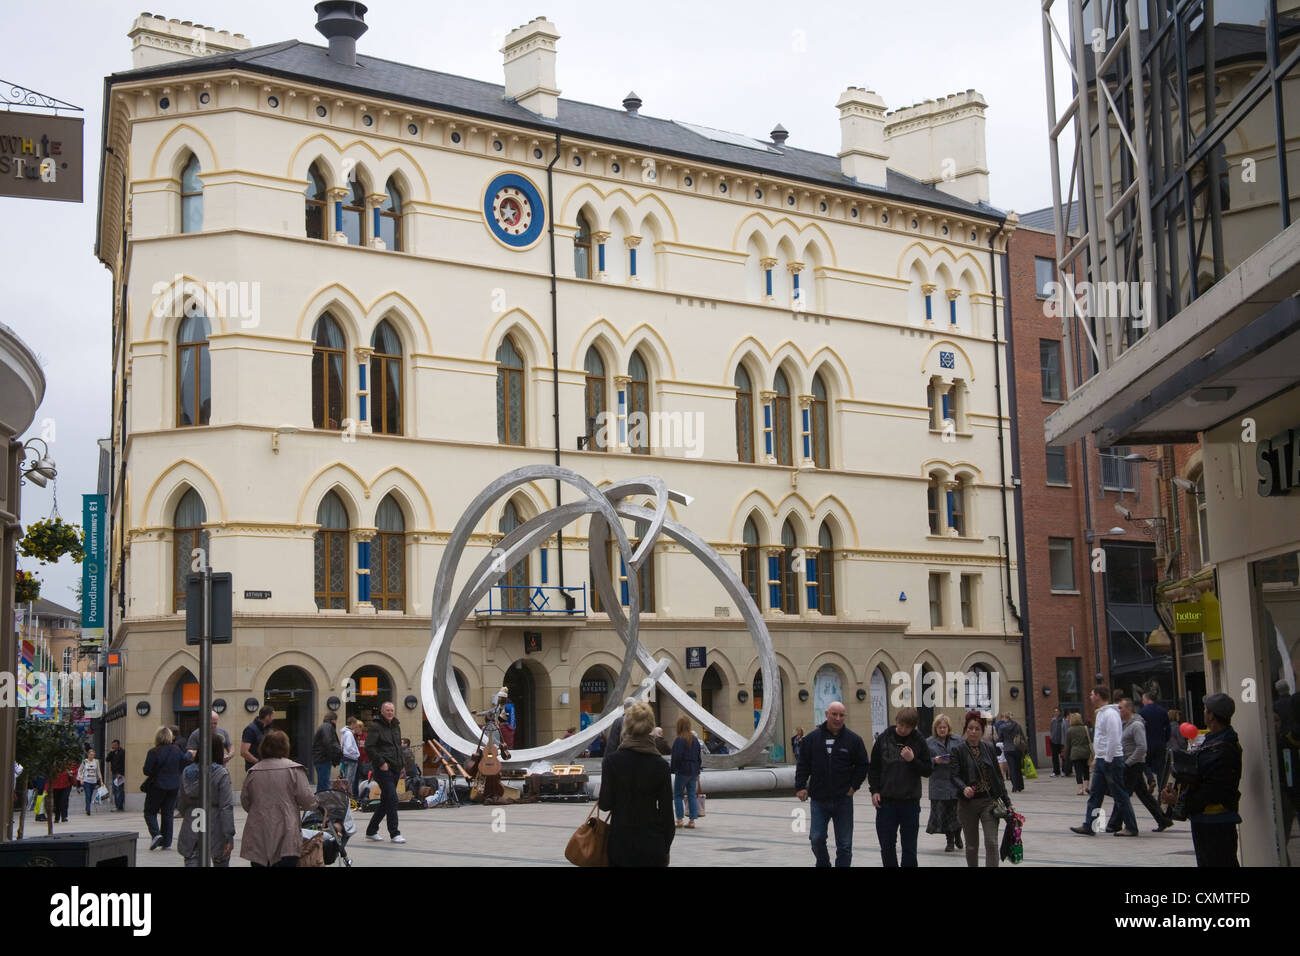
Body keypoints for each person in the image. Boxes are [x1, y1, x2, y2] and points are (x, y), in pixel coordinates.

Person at [1161, 693, 1242, 867]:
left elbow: (1211, 791)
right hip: (1205, 821)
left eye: (1205, 709)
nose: (1203, 712)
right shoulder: (1214, 742)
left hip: (1215, 823)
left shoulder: (1223, 749)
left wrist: (1178, 801)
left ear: (1211, 716)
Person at [597, 701, 675, 866]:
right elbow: (667, 813)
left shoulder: (612, 762)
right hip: (652, 843)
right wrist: (665, 846)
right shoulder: (661, 765)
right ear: (651, 728)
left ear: (627, 726)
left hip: (621, 843)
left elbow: (604, 804)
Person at [794, 701, 870, 867]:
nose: (837, 718)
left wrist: (854, 786)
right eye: (834, 714)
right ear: (826, 714)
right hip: (819, 798)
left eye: (841, 715)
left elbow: (863, 764)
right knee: (816, 838)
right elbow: (803, 764)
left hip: (843, 798)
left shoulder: (853, 740)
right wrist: (800, 786)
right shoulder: (812, 739)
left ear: (845, 716)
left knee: (844, 844)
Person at [240, 729, 318, 867]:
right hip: (287, 832)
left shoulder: (253, 772)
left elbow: (245, 802)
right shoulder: (294, 770)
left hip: (259, 833)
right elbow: (308, 801)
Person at [868, 706, 933, 867]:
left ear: (913, 727)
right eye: (900, 725)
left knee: (909, 847)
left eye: (907, 727)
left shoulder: (919, 740)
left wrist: (912, 760)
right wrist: (874, 790)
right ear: (896, 721)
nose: (903, 729)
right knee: (887, 845)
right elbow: (874, 767)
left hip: (910, 802)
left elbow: (928, 770)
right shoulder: (884, 738)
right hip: (886, 802)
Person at [1072, 685, 1138, 837]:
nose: (1090, 697)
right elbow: (1101, 739)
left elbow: (1114, 738)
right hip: (1103, 759)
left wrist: (1107, 759)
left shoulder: (1110, 714)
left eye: (1092, 694)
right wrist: (1097, 758)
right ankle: (1090, 825)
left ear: (1098, 696)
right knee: (1095, 794)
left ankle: (1131, 827)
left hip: (1112, 760)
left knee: (1120, 794)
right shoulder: (1102, 713)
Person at [951, 710, 1011, 867]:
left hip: (988, 802)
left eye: (977, 729)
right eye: (970, 728)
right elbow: (954, 776)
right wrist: (963, 788)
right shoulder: (958, 750)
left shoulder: (989, 749)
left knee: (991, 842)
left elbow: (998, 778)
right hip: (967, 804)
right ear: (966, 729)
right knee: (972, 846)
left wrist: (1007, 802)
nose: (973, 731)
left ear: (982, 731)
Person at [1105, 696, 1172, 833]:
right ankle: (1163, 820)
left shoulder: (1136, 725)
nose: (1119, 710)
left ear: (1129, 709)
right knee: (1143, 794)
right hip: (1131, 764)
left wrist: (1128, 763)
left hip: (1133, 765)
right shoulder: (1126, 724)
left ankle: (1115, 823)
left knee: (1122, 794)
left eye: (1121, 708)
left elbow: (1142, 747)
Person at [177, 734, 235, 867]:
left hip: (193, 820)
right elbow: (226, 806)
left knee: (192, 858)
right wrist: (229, 835)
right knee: (221, 859)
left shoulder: (186, 772)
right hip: (216, 823)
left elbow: (181, 801)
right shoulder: (221, 773)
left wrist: (187, 813)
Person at [364, 700, 406, 844]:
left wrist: (402, 764)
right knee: (392, 799)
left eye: (392, 710)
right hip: (383, 769)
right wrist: (381, 763)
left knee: (386, 800)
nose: (390, 713)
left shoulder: (396, 726)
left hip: (395, 767)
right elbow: (369, 747)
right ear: (382, 712)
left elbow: (397, 746)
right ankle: (394, 833)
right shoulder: (375, 726)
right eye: (387, 710)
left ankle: (371, 830)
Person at [926, 714, 963, 852]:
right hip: (939, 784)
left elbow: (964, 757)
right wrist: (934, 760)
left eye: (944, 727)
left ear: (949, 728)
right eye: (939, 727)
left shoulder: (958, 740)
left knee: (957, 813)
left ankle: (958, 835)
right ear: (935, 728)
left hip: (955, 783)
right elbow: (923, 762)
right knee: (946, 815)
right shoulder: (929, 742)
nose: (942, 730)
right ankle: (950, 841)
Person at [143, 726, 184, 850]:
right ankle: (166, 842)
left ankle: (156, 834)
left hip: (157, 785)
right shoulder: (177, 750)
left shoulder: (153, 752)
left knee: (150, 812)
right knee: (168, 813)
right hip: (173, 786)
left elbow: (146, 771)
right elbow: (183, 763)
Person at [669, 715, 702, 828]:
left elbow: (676, 757)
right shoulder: (695, 740)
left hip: (682, 770)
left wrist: (673, 769)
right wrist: (698, 770)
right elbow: (698, 757)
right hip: (693, 771)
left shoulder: (679, 740)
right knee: (691, 795)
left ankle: (679, 820)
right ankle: (692, 821)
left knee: (678, 795)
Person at [1140, 692, 1170, 788]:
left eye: (1143, 699)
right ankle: (1162, 789)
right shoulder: (1163, 711)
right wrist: (1165, 739)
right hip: (1161, 743)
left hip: (1147, 743)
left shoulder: (1142, 712)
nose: (1142, 702)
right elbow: (1168, 728)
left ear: (1147, 699)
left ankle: (1150, 778)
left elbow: (1140, 729)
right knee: (1161, 768)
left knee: (1143, 762)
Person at [995, 711, 1026, 793]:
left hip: (1007, 749)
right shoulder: (1017, 725)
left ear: (1005, 718)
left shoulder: (1002, 727)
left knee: (1012, 767)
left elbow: (1000, 738)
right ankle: (1020, 786)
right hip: (1017, 748)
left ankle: (1014, 787)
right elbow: (1022, 737)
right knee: (1018, 767)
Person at [311, 711, 341, 792]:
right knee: (324, 785)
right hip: (323, 759)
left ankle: (320, 798)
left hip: (321, 758)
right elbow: (328, 743)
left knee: (322, 784)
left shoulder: (325, 726)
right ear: (333, 720)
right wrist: (332, 756)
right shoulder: (327, 727)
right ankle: (322, 799)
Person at [241, 705, 276, 772]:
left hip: (267, 768)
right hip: (255, 769)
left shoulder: (268, 729)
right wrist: (259, 763)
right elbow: (244, 752)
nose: (273, 718)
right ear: (267, 716)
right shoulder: (250, 729)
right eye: (272, 716)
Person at [1065, 712, 1093, 795]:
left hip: (1075, 753)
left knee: (1078, 771)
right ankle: (1086, 787)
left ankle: (1080, 789)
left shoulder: (1070, 730)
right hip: (1086, 752)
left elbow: (1068, 744)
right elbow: (1090, 739)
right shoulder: (1085, 728)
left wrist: (1067, 756)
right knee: (1086, 770)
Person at [76, 748, 105, 816]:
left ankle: (87, 806)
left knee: (90, 795)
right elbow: (80, 770)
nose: (92, 756)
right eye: (91, 755)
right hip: (86, 781)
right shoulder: (84, 761)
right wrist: (81, 779)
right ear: (88, 755)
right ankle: (88, 809)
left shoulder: (96, 761)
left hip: (93, 781)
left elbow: (98, 771)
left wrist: (101, 781)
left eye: (93, 755)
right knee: (88, 795)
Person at [339, 717, 360, 795]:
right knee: (349, 781)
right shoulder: (349, 733)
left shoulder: (344, 733)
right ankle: (348, 798)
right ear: (353, 723)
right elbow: (349, 747)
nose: (356, 726)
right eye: (355, 724)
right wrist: (356, 754)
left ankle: (345, 797)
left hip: (345, 758)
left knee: (346, 780)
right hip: (351, 759)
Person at [107, 739, 126, 811]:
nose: (114, 747)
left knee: (119, 789)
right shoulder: (113, 753)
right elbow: (107, 759)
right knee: (115, 789)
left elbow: (123, 763)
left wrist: (120, 773)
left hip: (119, 774)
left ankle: (119, 806)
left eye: (115, 745)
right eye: (113, 745)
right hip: (114, 773)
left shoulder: (122, 752)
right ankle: (117, 805)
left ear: (118, 745)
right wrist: (110, 752)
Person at [1049, 707, 1067, 777]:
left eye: (1057, 711)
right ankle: (1056, 771)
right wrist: (1051, 737)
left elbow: (1064, 731)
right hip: (1054, 741)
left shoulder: (1063, 720)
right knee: (1054, 757)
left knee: (1063, 757)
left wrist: (1064, 742)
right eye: (1055, 711)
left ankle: (1064, 770)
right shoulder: (1053, 720)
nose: (1055, 713)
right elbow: (1051, 730)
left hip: (1061, 741)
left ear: (1060, 712)